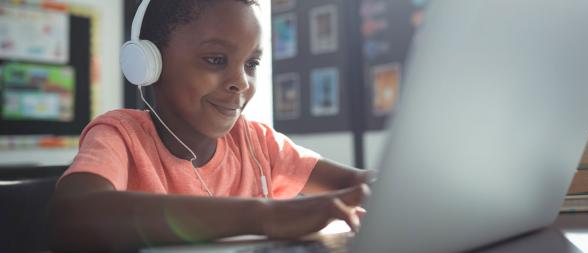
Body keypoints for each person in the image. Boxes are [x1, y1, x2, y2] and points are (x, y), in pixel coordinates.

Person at [48, 0, 373, 251]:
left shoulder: (257, 142)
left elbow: (358, 186)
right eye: (216, 60)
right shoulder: (120, 135)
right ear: (148, 64)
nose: (241, 82)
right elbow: (71, 217)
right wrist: (266, 216)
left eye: (251, 64)